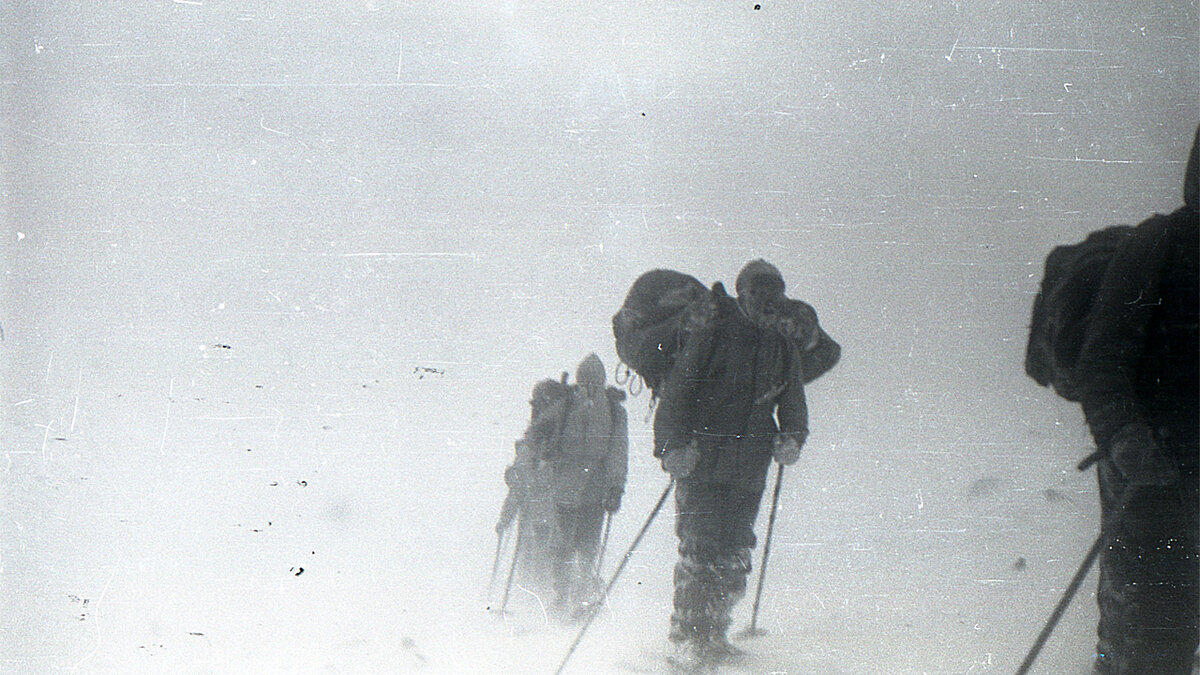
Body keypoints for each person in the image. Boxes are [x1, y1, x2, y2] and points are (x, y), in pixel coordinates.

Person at [1072, 129, 1199, 675]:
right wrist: (1127, 439)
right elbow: (1101, 363)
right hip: (1153, 473)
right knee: (1155, 631)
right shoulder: (1159, 243)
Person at [652, 259, 814, 666]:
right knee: (700, 549)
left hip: (750, 466)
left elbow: (793, 402)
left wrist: (792, 438)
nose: (766, 300)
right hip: (703, 462)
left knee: (736, 551)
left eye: (773, 293)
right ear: (742, 293)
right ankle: (688, 637)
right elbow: (679, 392)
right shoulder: (714, 332)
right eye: (757, 292)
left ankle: (716, 631)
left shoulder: (782, 346)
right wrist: (673, 447)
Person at [547, 353, 628, 620]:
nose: (591, 387)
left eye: (596, 382)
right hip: (565, 486)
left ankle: (581, 599)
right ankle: (561, 596)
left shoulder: (615, 411)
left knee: (588, 548)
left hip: (595, 488)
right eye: (586, 382)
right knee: (563, 545)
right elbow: (544, 435)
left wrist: (616, 486)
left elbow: (618, 450)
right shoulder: (566, 403)